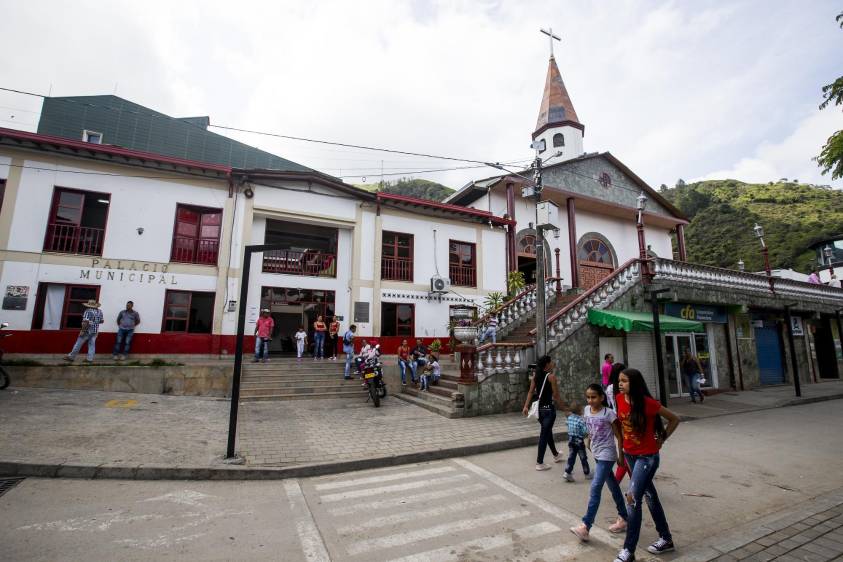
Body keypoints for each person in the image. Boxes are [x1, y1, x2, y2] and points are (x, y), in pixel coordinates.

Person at [613, 368, 681, 562]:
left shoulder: (648, 403)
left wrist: (662, 439)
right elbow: (621, 428)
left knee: (632, 499)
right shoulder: (619, 399)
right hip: (630, 456)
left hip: (647, 458)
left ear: (634, 383)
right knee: (650, 496)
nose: (620, 384)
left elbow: (674, 419)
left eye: (624, 381)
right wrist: (620, 453)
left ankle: (628, 551)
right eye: (619, 380)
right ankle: (666, 539)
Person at [570, 383, 628, 541]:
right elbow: (590, 429)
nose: (590, 400)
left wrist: (621, 455)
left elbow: (619, 436)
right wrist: (588, 441)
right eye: (588, 397)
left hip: (607, 455)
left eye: (594, 397)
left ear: (602, 397)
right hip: (596, 452)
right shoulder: (586, 410)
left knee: (595, 487)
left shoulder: (609, 413)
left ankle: (585, 526)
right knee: (613, 486)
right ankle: (624, 517)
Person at [522, 355, 568, 471]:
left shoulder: (536, 376)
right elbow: (556, 396)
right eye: (551, 362)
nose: (553, 363)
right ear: (547, 364)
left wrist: (526, 406)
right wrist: (565, 409)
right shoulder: (551, 377)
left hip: (540, 411)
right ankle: (539, 462)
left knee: (547, 432)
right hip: (548, 410)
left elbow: (530, 392)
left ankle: (556, 454)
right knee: (544, 434)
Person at [563, 402, 591, 482]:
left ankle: (567, 472)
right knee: (583, 457)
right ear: (579, 411)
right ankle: (587, 473)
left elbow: (566, 423)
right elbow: (585, 431)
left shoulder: (569, 418)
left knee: (571, 457)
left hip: (571, 440)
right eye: (582, 409)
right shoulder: (581, 420)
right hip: (579, 441)